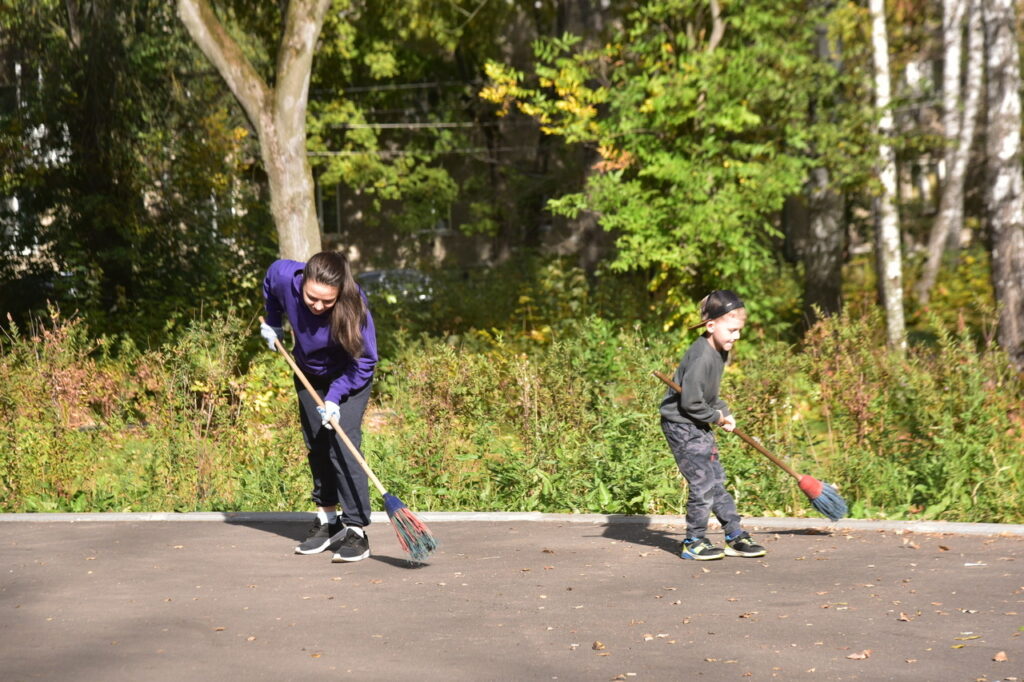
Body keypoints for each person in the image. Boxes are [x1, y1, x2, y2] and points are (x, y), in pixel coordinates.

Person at [260, 251, 378, 563]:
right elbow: (270, 283)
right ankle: (329, 522)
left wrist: (334, 397)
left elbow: (364, 362)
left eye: (328, 301)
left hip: (348, 375)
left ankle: (356, 530)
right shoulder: (285, 276)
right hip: (308, 371)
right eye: (313, 298)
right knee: (317, 443)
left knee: (343, 441)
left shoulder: (355, 305)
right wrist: (274, 323)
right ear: (303, 283)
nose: (318, 306)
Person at [659, 289, 766, 561]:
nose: (737, 336)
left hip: (697, 422)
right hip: (682, 425)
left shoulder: (718, 352)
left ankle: (734, 535)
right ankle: (693, 541)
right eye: (731, 330)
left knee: (716, 479)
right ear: (711, 325)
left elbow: (709, 397)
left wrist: (724, 412)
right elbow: (691, 404)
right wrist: (716, 417)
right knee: (703, 482)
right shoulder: (702, 357)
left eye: (739, 330)